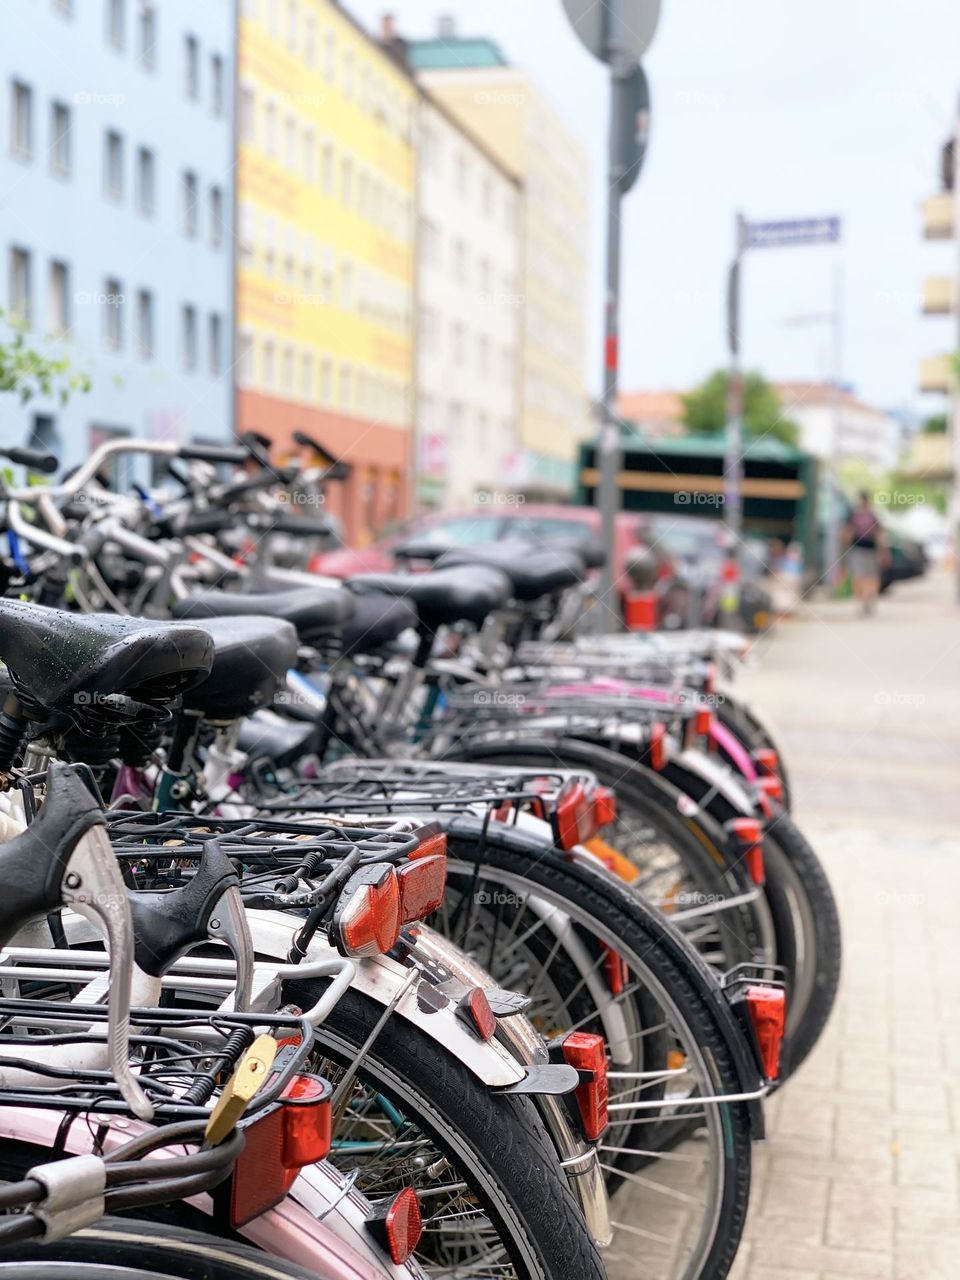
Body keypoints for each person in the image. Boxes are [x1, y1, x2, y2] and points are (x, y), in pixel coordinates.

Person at [844, 491, 886, 616]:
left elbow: (847, 534)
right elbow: (880, 535)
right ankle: (869, 598)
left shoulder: (853, 516)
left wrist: (845, 551)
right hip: (871, 550)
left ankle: (861, 601)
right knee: (872, 577)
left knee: (858, 576)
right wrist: (883, 552)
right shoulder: (873, 516)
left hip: (857, 549)